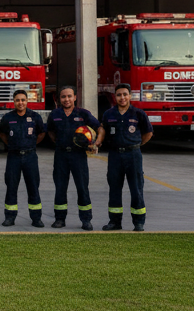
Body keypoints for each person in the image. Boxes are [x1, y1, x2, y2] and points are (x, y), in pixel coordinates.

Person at [45, 86, 100, 230]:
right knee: (60, 188)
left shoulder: (83, 114)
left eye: (69, 96)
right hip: (61, 155)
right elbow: (50, 131)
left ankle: (86, 220)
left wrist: (96, 143)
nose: (66, 99)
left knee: (82, 188)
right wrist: (58, 142)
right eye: (63, 97)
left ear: (75, 97)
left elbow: (100, 128)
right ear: (59, 99)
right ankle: (60, 219)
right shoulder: (54, 114)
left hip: (78, 156)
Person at [100, 84, 153, 231]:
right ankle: (115, 222)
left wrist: (135, 145)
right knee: (114, 188)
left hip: (133, 155)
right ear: (115, 97)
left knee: (136, 188)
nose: (122, 97)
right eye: (118, 95)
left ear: (130, 96)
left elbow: (148, 133)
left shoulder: (139, 114)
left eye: (124, 94)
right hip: (115, 155)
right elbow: (103, 130)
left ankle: (139, 222)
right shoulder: (108, 114)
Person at [0, 90, 45, 227]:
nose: (20, 103)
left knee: (33, 187)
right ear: (14, 101)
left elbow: (41, 134)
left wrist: (30, 145)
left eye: (23, 100)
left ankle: (36, 218)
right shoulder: (7, 117)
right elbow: (2, 134)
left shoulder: (35, 117)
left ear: (27, 101)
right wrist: (13, 145)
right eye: (17, 100)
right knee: (11, 187)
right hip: (13, 157)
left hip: (30, 156)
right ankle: (10, 217)